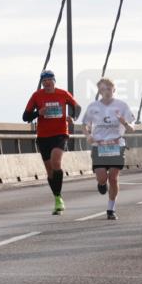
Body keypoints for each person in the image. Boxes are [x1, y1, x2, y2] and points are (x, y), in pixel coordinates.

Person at [22, 70, 81, 215]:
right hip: (43, 136)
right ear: (42, 83)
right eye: (44, 81)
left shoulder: (63, 94)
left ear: (54, 81)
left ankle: (58, 199)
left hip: (60, 134)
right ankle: (57, 197)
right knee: (49, 172)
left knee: (56, 163)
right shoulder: (37, 96)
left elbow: (77, 107)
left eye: (49, 80)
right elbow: (25, 116)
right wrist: (38, 113)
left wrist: (72, 117)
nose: (47, 83)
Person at [82, 78, 136, 220]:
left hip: (116, 145)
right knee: (102, 177)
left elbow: (131, 127)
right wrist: (88, 135)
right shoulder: (93, 106)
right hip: (99, 146)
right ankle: (101, 183)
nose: (106, 92)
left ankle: (111, 209)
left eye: (109, 89)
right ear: (99, 91)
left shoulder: (122, 105)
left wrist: (124, 123)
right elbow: (84, 125)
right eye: (103, 89)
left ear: (114, 90)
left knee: (113, 177)